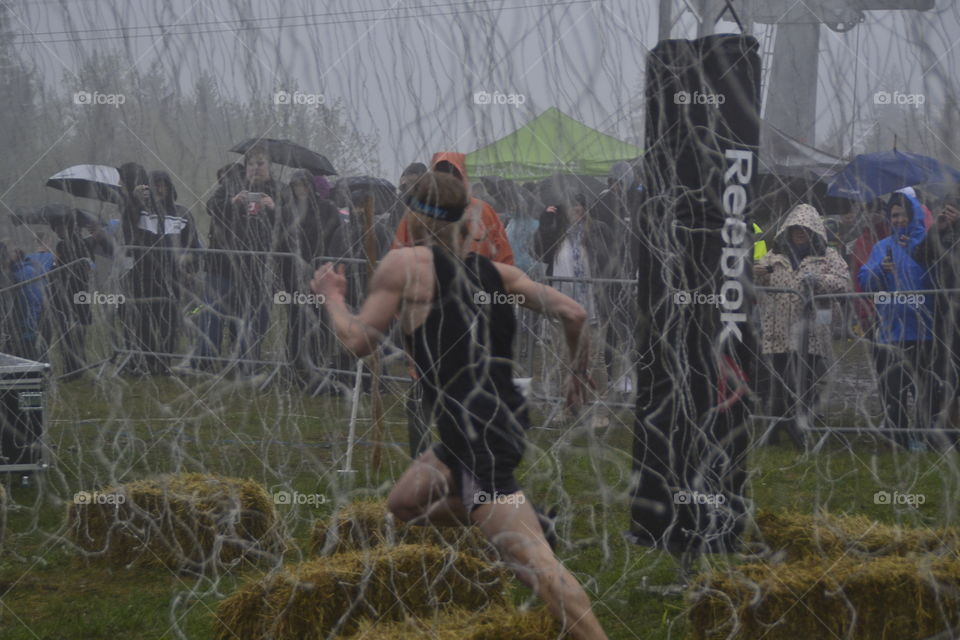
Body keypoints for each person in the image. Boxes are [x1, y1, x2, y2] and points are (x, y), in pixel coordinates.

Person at [311, 172, 608, 640]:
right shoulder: (499, 273)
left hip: (478, 439)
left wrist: (331, 297)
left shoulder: (404, 265)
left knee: (536, 564)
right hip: (484, 425)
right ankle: (522, 517)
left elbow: (356, 342)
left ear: (413, 217)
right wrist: (578, 371)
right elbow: (575, 312)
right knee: (403, 504)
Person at [753, 204, 850, 448]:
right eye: (795, 227)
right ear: (787, 229)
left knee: (803, 382)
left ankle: (799, 429)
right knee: (777, 381)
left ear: (815, 230)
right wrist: (756, 272)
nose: (800, 232)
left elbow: (844, 283)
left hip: (812, 332)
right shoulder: (774, 257)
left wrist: (819, 280)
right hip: (777, 330)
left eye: (805, 228)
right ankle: (774, 432)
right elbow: (751, 280)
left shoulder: (828, 256)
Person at [859, 191, 941, 450]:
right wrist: (879, 269)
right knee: (892, 389)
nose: (898, 219)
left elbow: (935, 279)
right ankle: (897, 437)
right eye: (894, 214)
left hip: (924, 332)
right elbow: (865, 281)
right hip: (890, 333)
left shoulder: (928, 245)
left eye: (903, 214)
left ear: (914, 215)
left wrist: (905, 271)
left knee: (926, 391)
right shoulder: (882, 247)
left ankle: (927, 436)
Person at [200, 146, 281, 372]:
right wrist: (232, 202)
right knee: (213, 314)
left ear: (270, 167)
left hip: (261, 268)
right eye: (251, 164)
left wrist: (275, 208)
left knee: (254, 317)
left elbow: (293, 223)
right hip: (224, 264)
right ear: (245, 167)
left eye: (261, 163)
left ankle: (247, 362)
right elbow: (211, 208)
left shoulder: (279, 189)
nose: (256, 168)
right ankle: (205, 360)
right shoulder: (230, 185)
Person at [534, 194, 613, 402]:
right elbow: (540, 253)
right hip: (562, 306)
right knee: (563, 358)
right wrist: (545, 224)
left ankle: (599, 405)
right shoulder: (557, 233)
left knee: (595, 359)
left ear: (585, 208)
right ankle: (567, 404)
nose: (573, 210)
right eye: (569, 206)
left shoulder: (598, 229)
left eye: (577, 205)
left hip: (593, 305)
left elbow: (610, 259)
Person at [278, 169, 347, 388]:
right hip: (293, 274)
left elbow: (335, 237)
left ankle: (317, 364)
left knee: (318, 319)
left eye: (304, 185)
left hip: (319, 274)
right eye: (296, 185)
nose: (301, 189)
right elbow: (281, 240)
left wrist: (320, 261)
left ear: (311, 186)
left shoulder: (326, 209)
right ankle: (296, 364)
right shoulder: (288, 210)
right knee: (296, 319)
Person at [391, 152, 514, 265]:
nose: (449, 180)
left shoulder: (484, 211)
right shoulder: (418, 212)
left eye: (453, 175)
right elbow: (399, 254)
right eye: (442, 174)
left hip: (478, 282)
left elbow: (503, 254)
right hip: (431, 283)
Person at [913, 191, 960, 448]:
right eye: (945, 208)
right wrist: (937, 230)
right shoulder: (940, 233)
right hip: (944, 315)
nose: (948, 212)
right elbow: (920, 256)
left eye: (952, 209)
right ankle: (945, 432)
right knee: (946, 373)